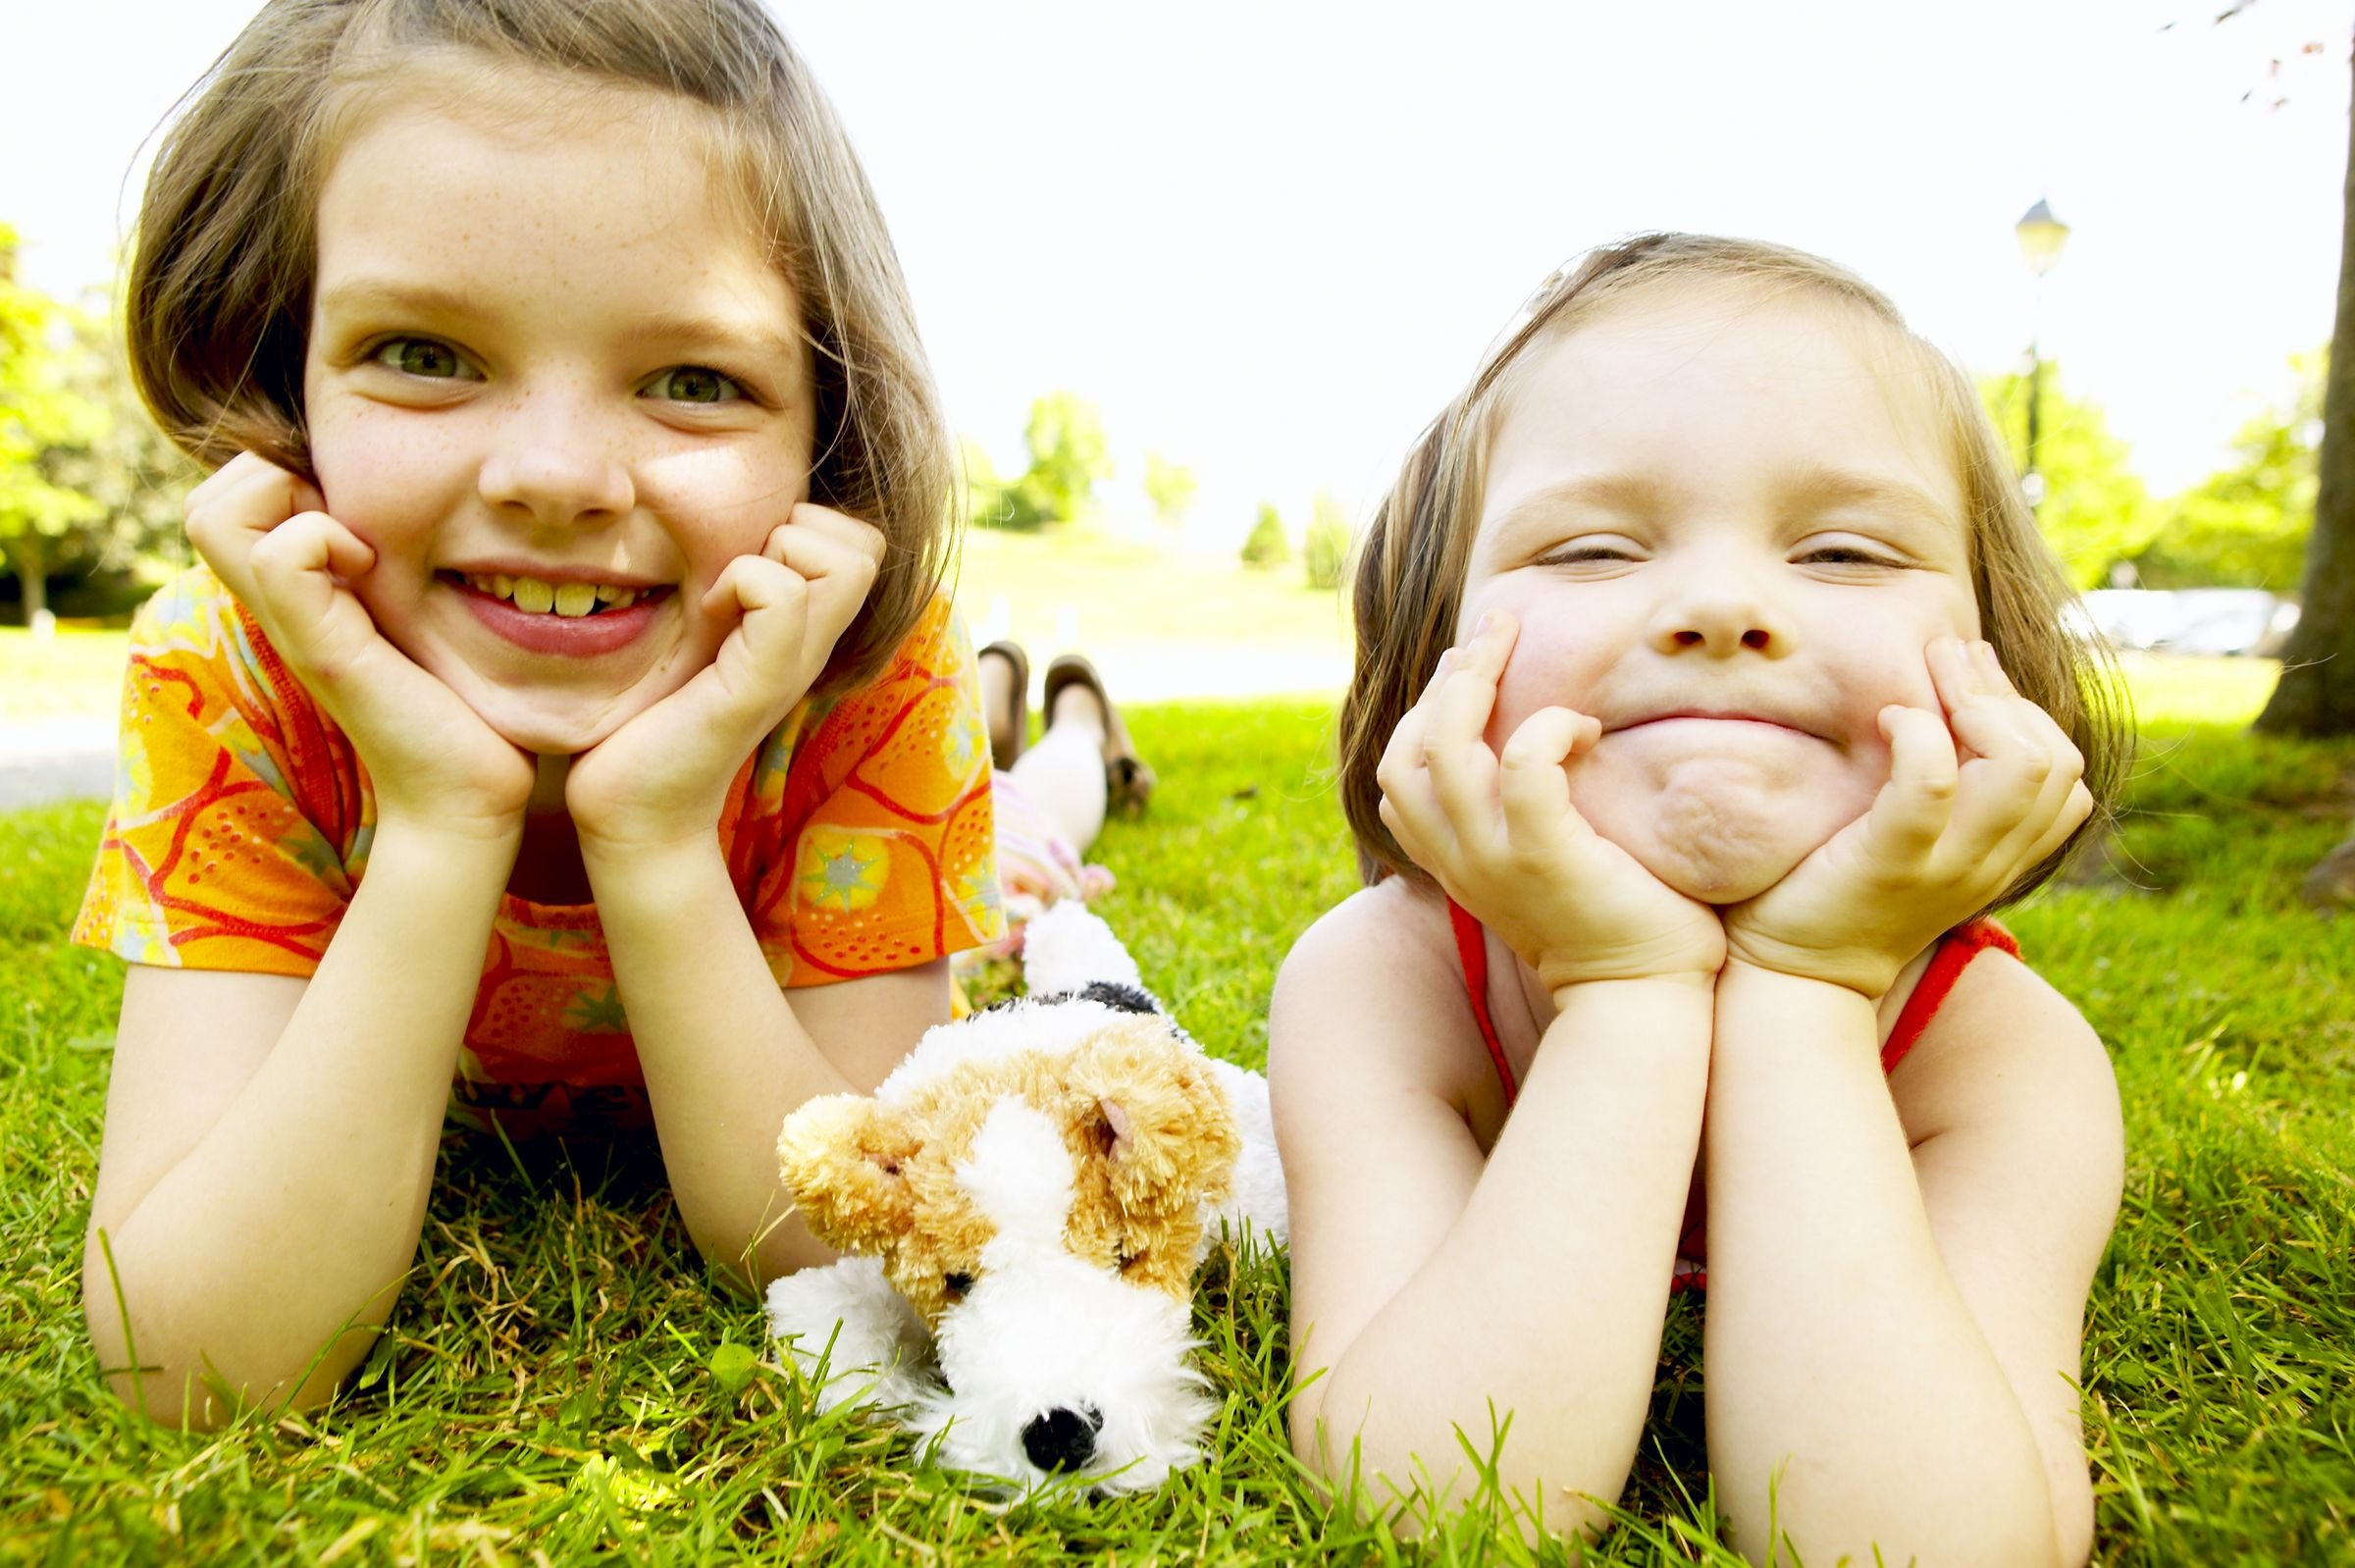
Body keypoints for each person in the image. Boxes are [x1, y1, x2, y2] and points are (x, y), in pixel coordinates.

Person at [73, 0, 1005, 1429]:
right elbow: (188, 1366)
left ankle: (1060, 753)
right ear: (280, 381)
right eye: (425, 354)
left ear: (826, 437)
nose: (558, 475)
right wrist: (447, 819)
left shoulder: (861, 675)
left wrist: (654, 833)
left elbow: (872, 1271)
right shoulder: (232, 673)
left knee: (1047, 865)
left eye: (693, 382)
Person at [1270, 234, 2129, 1566]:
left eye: (1844, 554)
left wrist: (1811, 990)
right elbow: (1438, 1507)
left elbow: (1927, 1543)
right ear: (1434, 654)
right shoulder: (1384, 987)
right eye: (1596, 547)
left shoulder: (2007, 1061)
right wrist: (1624, 993)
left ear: (1998, 663)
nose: (1723, 607)